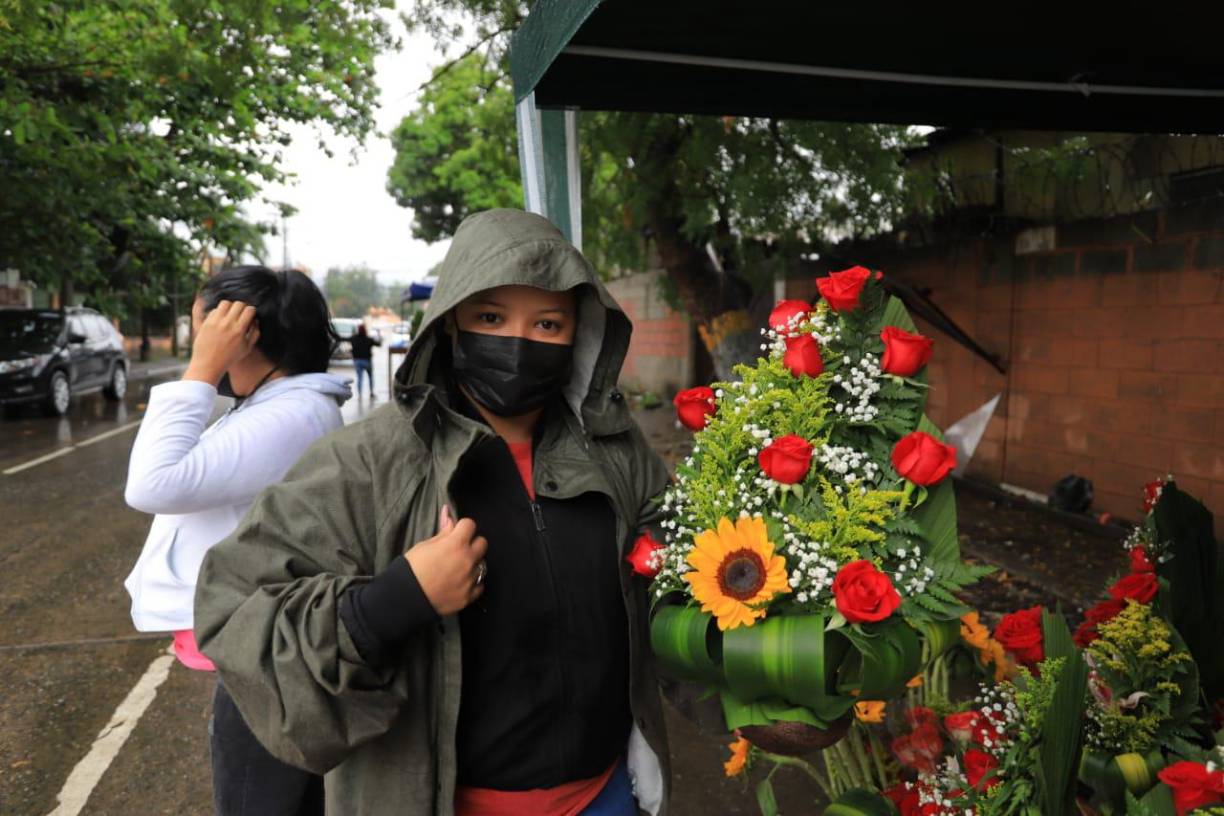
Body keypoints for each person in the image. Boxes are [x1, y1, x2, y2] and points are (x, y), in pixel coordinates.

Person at [194, 209, 673, 816]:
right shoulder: (367, 461)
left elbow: (685, 577)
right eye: (491, 317)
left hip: (606, 797)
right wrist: (395, 600)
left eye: (547, 323)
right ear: (450, 326)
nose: (518, 342)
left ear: (580, 333)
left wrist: (768, 679)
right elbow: (232, 608)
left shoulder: (617, 451)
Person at [124, 266, 352, 816]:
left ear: (242, 334)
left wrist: (202, 369)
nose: (202, 343)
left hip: (268, 663)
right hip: (263, 646)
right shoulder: (277, 406)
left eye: (205, 330)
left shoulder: (292, 415)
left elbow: (151, 485)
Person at [349, 323, 380, 399]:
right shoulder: (368, 339)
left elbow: (347, 340)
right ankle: (371, 393)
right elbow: (378, 344)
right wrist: (378, 335)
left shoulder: (354, 339)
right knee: (370, 377)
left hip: (357, 361)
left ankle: (359, 395)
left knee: (360, 378)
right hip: (367, 361)